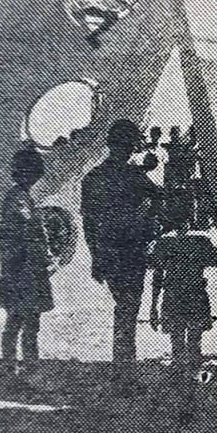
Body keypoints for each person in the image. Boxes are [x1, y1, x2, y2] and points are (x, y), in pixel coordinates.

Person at [81, 120, 161, 393]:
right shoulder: (134, 176)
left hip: (108, 253)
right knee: (128, 311)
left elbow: (89, 224)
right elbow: (161, 198)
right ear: (129, 147)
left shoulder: (92, 178)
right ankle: (125, 375)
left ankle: (123, 371)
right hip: (132, 252)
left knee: (123, 309)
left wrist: (95, 257)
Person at [149, 206, 217, 420]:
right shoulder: (200, 241)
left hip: (172, 298)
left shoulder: (163, 243)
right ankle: (193, 390)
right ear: (189, 219)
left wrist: (153, 307)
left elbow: (157, 276)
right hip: (195, 297)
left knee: (176, 346)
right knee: (194, 345)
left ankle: (179, 392)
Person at [0, 147, 56, 383]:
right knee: (21, 320)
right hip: (22, 269)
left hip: (25, 268)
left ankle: (22, 366)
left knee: (25, 320)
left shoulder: (23, 196)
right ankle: (18, 367)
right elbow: (26, 228)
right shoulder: (17, 198)